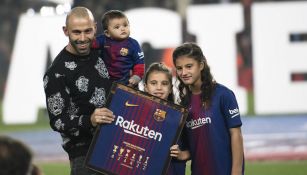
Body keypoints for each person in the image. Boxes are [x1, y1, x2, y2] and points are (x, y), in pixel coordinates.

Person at [43, 7, 115, 175]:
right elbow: (58, 121)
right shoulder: (56, 73)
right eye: (76, 32)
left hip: (116, 144)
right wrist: (89, 120)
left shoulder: (103, 53)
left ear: (95, 28)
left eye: (87, 31)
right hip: (84, 154)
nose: (83, 38)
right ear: (65, 31)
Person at [170, 42, 244, 175]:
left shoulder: (223, 95)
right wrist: (182, 155)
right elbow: (195, 146)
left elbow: (236, 135)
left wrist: (237, 172)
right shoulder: (183, 105)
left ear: (201, 65)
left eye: (189, 66)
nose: (184, 72)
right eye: (179, 68)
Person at [143, 62, 186, 175]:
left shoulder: (181, 117)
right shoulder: (135, 114)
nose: (159, 88)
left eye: (164, 83)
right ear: (146, 87)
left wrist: (182, 154)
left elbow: (196, 147)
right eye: (153, 83)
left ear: (171, 88)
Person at [92, 10, 145, 87]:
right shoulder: (103, 40)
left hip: (126, 80)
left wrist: (137, 76)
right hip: (106, 79)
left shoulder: (133, 44)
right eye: (117, 27)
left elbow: (139, 62)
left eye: (125, 25)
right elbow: (90, 44)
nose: (123, 29)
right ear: (107, 33)